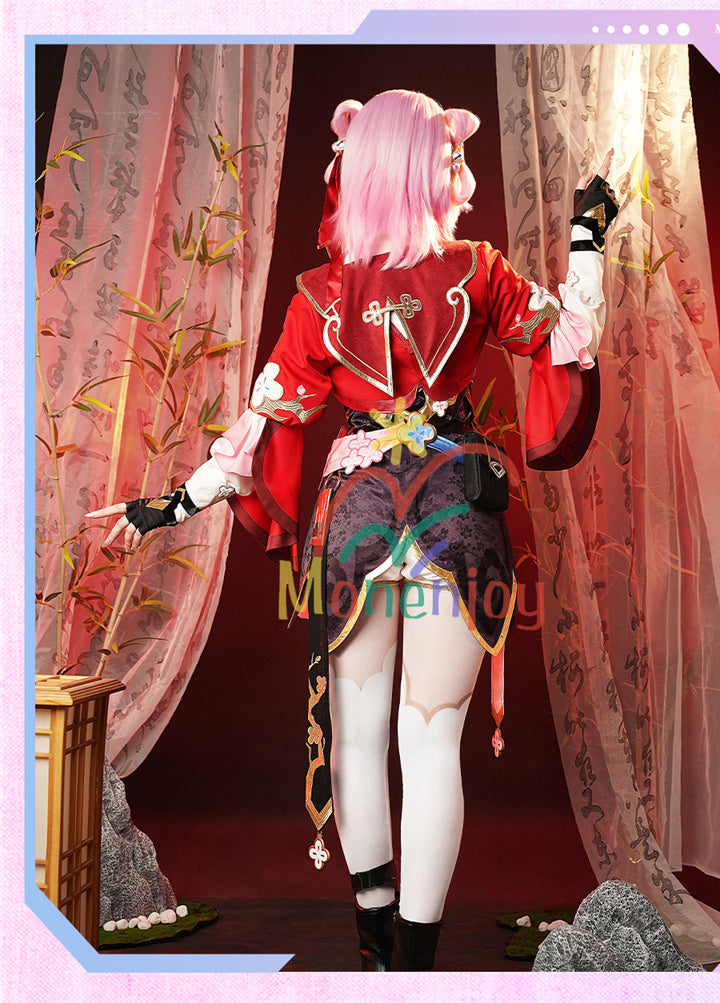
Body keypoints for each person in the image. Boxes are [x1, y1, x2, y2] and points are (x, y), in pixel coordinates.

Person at [88, 89, 618, 971]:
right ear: (423, 171)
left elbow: (258, 430)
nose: (464, 174)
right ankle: (413, 968)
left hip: (358, 518)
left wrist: (169, 505)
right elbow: (572, 336)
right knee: (431, 741)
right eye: (452, 159)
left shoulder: (322, 297)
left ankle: (376, 953)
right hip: (457, 514)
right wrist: (589, 237)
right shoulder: (480, 272)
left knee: (360, 740)